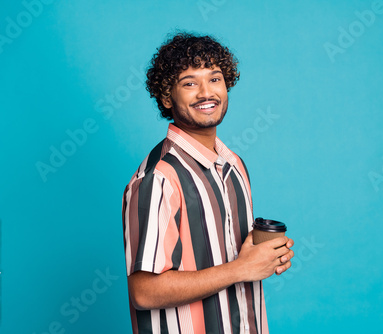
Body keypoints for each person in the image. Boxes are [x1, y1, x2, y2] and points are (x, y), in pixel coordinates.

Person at [122, 32, 294, 334]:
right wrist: (240, 269)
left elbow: (228, 254)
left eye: (214, 79)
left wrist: (264, 257)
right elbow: (144, 292)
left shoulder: (234, 165)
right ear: (166, 96)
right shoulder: (160, 178)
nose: (206, 93)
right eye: (189, 83)